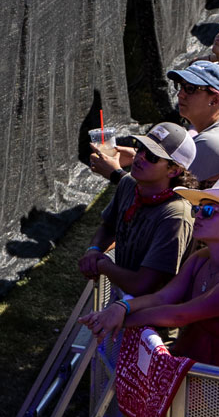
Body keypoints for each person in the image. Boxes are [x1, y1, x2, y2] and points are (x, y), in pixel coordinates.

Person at [85, 177, 219, 364]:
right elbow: (162, 297)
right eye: (197, 209)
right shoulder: (202, 257)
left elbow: (180, 315)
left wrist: (118, 320)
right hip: (189, 364)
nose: (197, 216)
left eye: (208, 211)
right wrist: (121, 307)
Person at [80, 122, 196, 296]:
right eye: (140, 148)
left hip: (152, 313)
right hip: (123, 296)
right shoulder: (129, 184)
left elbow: (143, 285)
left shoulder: (175, 216)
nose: (140, 156)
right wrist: (94, 250)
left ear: (174, 171)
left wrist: (103, 265)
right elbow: (109, 226)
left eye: (152, 156)